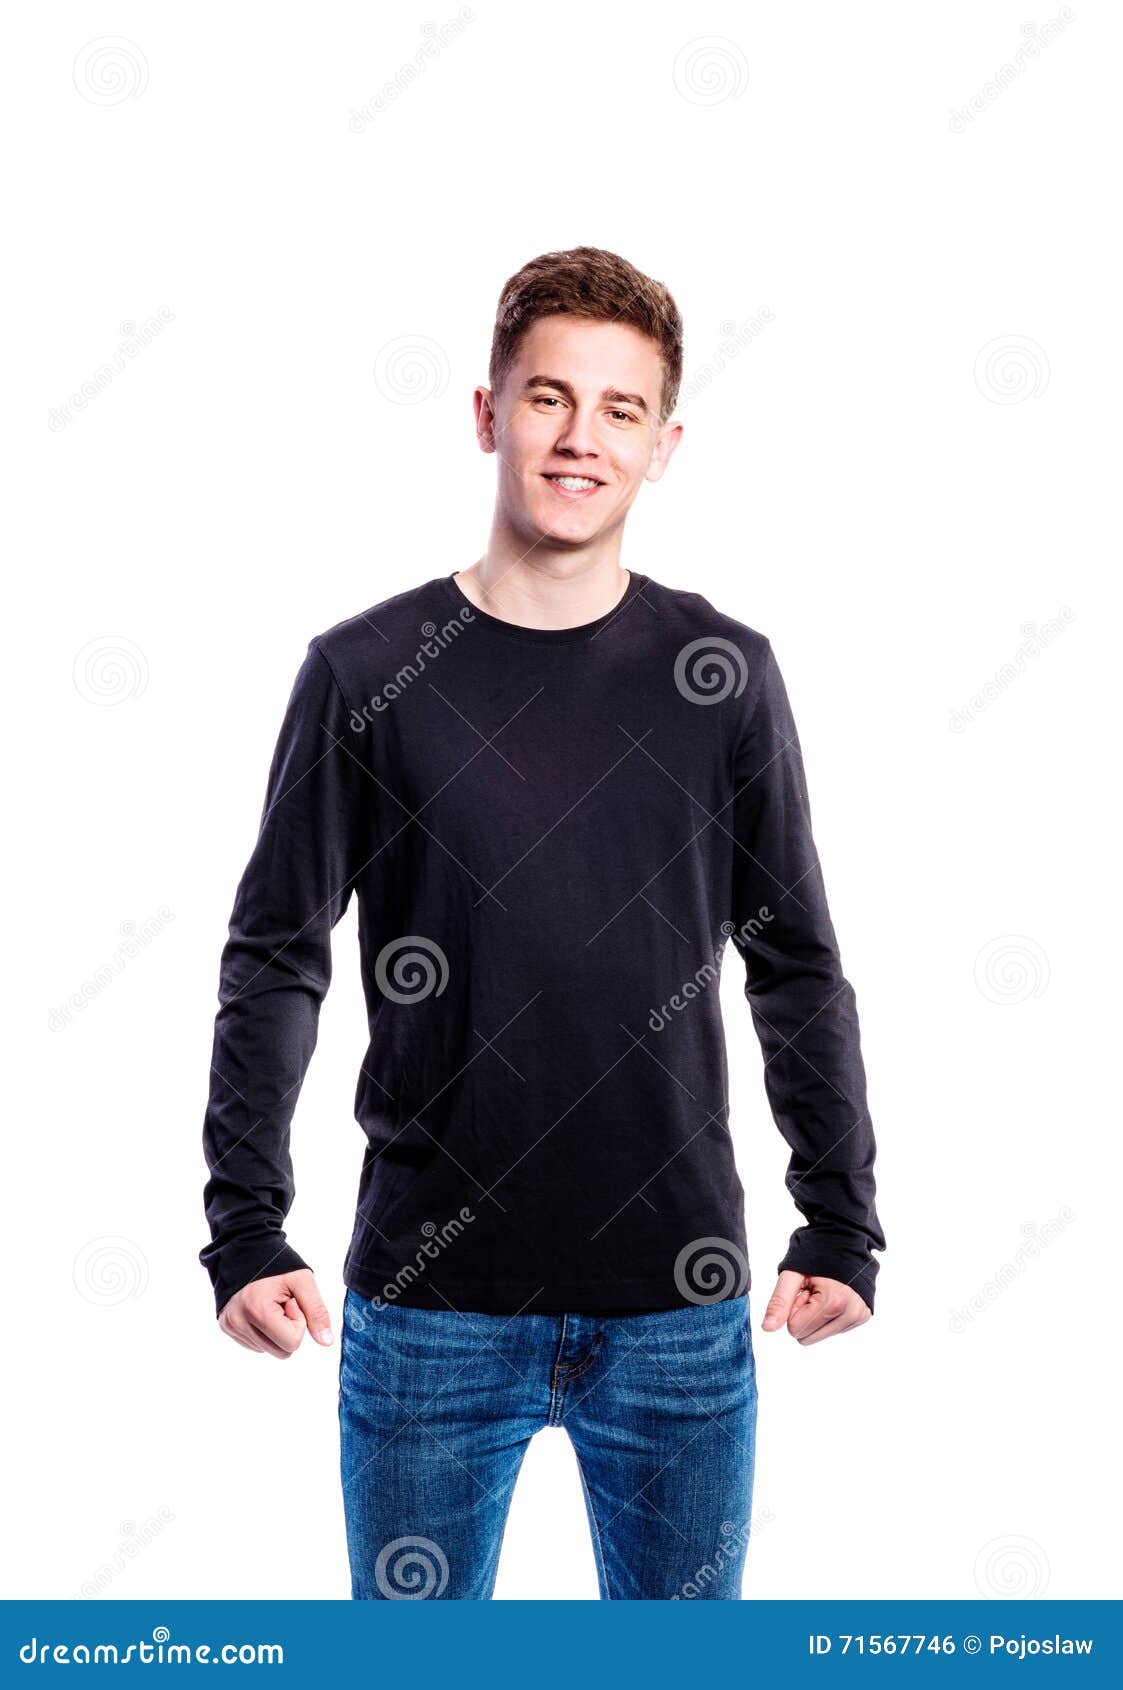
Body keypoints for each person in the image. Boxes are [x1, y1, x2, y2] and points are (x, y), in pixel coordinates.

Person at [198, 246, 886, 1601]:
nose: (581, 437)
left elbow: (793, 958)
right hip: (428, 1314)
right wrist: (245, 1225)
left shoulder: (722, 677)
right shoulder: (364, 673)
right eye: (548, 398)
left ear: (665, 443)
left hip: (678, 1313)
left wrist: (840, 1219)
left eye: (620, 410)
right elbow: (278, 955)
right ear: (486, 413)